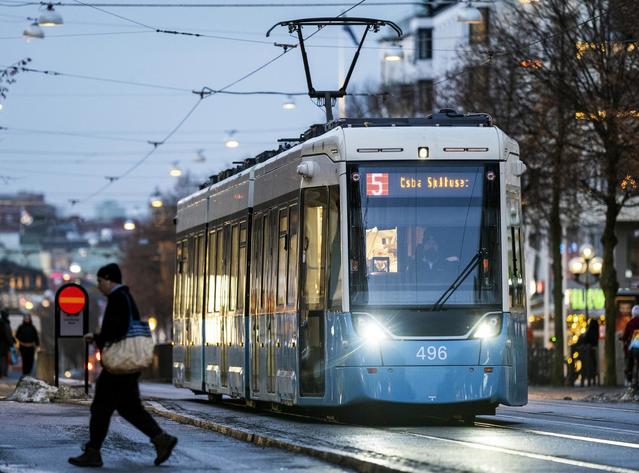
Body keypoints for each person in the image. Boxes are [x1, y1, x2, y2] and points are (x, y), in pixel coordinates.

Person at [68, 263, 177, 468]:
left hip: (119, 365)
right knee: (129, 408)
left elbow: (117, 330)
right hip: (128, 364)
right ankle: (162, 439)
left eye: (100, 281)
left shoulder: (117, 298)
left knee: (101, 407)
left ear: (109, 280)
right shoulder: (125, 297)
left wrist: (97, 337)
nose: (99, 286)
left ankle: (93, 452)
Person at [621, 304, 639, 385]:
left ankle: (629, 376)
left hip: (633, 346)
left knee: (629, 360)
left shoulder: (630, 323)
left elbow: (625, 336)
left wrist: (623, 339)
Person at [0, 309, 15, 378]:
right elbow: (7, 334)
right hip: (4, 344)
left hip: (4, 344)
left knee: (4, 359)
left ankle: (3, 373)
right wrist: (11, 342)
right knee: (4, 359)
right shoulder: (4, 323)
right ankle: (3, 373)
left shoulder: (5, 322)